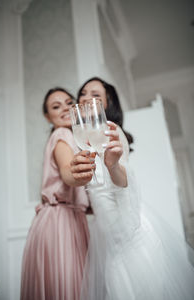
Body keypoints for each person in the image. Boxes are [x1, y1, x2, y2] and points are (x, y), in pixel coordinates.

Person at [77, 77, 194, 300]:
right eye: (83, 93)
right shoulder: (81, 138)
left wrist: (112, 165)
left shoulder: (111, 132)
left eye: (95, 95)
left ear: (107, 104)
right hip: (107, 241)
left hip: (130, 239)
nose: (86, 98)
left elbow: (123, 182)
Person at [20, 87, 94, 300]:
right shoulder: (62, 134)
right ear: (47, 116)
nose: (64, 109)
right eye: (55, 106)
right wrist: (80, 174)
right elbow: (67, 172)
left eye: (69, 103)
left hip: (61, 219)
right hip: (61, 222)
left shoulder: (73, 138)